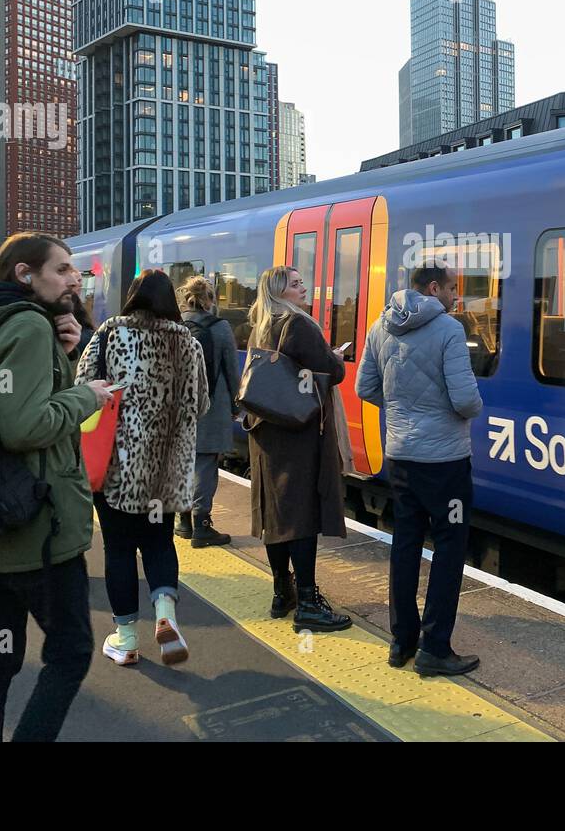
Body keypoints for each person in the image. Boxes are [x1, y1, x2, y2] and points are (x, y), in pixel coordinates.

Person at [0, 233, 114, 742]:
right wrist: (87, 393)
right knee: (70, 654)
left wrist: (65, 362)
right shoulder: (28, 327)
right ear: (25, 274)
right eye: (62, 269)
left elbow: (6, 403)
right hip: (41, 529)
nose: (74, 278)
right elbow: (24, 427)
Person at [76, 270, 209, 668]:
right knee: (159, 543)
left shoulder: (109, 335)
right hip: (166, 470)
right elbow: (201, 403)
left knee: (118, 549)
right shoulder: (188, 342)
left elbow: (84, 390)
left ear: (132, 297)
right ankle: (166, 615)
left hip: (117, 466)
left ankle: (126, 638)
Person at [356, 263, 483, 677]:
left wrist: (401, 410)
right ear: (432, 288)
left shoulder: (380, 327)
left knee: (406, 543)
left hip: (402, 457)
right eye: (450, 288)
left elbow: (364, 387)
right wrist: (462, 413)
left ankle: (402, 640)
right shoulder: (448, 329)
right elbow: (466, 401)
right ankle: (435, 648)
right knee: (449, 548)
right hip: (445, 460)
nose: (454, 297)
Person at [246, 265, 353, 633]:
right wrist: (336, 358)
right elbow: (329, 371)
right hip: (297, 433)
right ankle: (308, 601)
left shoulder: (260, 326)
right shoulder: (298, 325)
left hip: (265, 432)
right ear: (279, 292)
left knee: (276, 515)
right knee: (300, 515)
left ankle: (282, 593)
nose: (303, 287)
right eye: (295, 284)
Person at [177, 275, 241, 548]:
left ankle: (182, 522)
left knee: (182, 462)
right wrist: (237, 404)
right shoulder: (221, 327)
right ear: (211, 300)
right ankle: (202, 526)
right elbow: (231, 369)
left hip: (179, 407)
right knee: (205, 464)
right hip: (213, 406)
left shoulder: (175, 325)